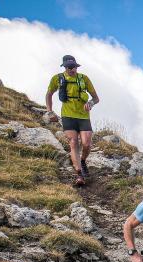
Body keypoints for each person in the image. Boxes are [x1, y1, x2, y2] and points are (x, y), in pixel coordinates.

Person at [44, 55, 99, 186]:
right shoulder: (57, 78)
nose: (72, 69)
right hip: (68, 116)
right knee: (73, 142)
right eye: (69, 67)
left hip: (83, 116)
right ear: (64, 67)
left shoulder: (84, 79)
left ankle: (83, 160)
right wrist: (49, 111)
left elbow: (96, 98)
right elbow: (49, 94)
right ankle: (79, 174)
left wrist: (90, 103)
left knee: (86, 144)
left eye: (74, 66)